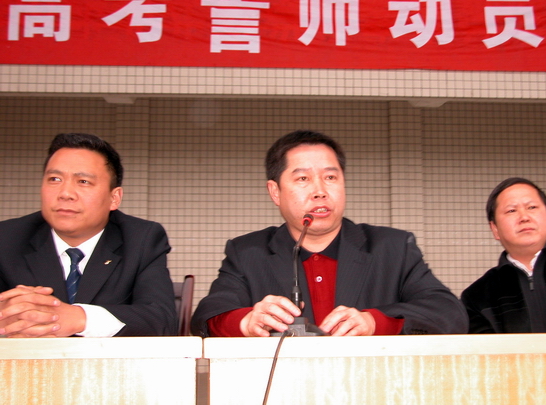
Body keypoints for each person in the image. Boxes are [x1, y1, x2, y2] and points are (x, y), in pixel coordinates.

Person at [191, 130, 467, 337]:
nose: (320, 191)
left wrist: (375, 322)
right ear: (275, 192)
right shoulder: (247, 252)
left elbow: (450, 314)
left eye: (330, 177)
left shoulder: (393, 248)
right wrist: (246, 321)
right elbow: (207, 316)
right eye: (303, 179)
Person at [0, 133, 177, 337]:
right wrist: (6, 317)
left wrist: (79, 318)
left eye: (83, 181)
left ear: (114, 198)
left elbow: (161, 320)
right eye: (54, 179)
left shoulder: (141, 239)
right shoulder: (7, 238)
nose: (65, 193)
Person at [461, 177, 546, 333]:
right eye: (511, 210)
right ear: (495, 229)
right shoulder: (477, 296)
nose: (524, 217)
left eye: (532, 207)